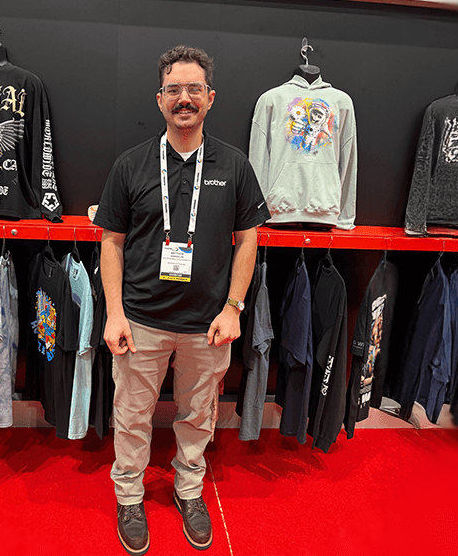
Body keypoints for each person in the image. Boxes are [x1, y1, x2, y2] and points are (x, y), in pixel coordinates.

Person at [94, 45, 269, 554]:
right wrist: (115, 313)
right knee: (130, 414)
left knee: (198, 416)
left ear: (210, 99)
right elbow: (111, 242)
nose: (184, 98)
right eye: (174, 90)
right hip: (142, 321)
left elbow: (250, 239)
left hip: (207, 324)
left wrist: (234, 307)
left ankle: (189, 489)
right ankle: (129, 496)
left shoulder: (234, 166)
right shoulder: (131, 165)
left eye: (194, 89)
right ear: (160, 99)